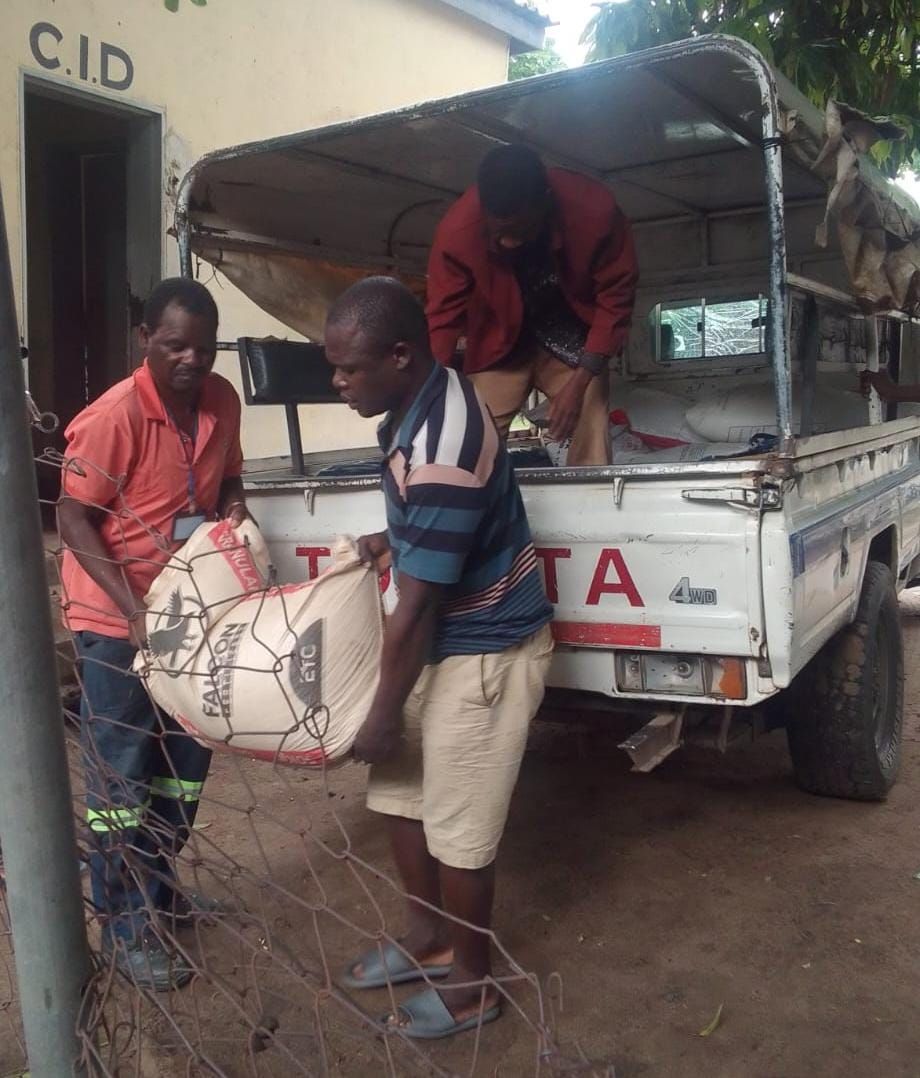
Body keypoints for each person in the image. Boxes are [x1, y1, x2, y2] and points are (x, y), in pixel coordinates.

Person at [327, 277, 554, 1039]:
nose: (339, 383)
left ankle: (473, 983)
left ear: (399, 355)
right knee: (399, 795)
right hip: (440, 639)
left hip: (486, 649)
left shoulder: (445, 440)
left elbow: (419, 604)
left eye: (349, 369)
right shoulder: (413, 405)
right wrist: (390, 538)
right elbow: (438, 523)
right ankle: (428, 938)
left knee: (458, 825)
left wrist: (379, 715)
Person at [58, 278, 248, 991]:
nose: (192, 360)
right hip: (118, 623)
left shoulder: (221, 401)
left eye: (205, 347)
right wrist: (132, 609)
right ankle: (124, 925)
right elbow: (72, 516)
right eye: (175, 346)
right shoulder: (116, 415)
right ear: (146, 341)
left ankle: (159, 891)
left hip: (190, 614)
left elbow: (230, 480)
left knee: (184, 763)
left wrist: (236, 512)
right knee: (122, 776)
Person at [426, 143, 638, 466]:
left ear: (545, 202)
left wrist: (581, 381)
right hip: (500, 341)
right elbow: (442, 318)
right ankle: (474, 496)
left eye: (520, 231)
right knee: (472, 438)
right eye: (499, 233)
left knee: (590, 418)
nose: (508, 242)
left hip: (573, 337)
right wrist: (426, 393)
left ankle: (589, 495)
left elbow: (616, 299)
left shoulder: (595, 213)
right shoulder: (457, 232)